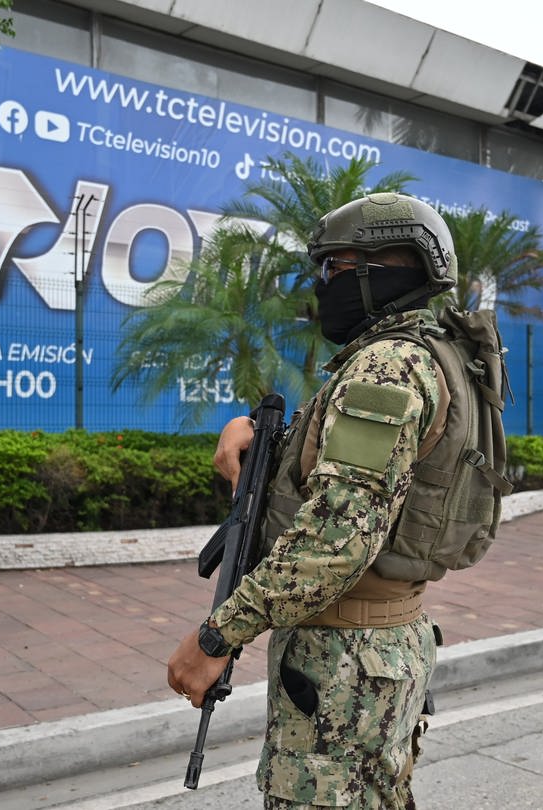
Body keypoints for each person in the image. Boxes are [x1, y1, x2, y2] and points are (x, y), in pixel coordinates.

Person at [167, 192, 456, 808]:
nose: (323, 286)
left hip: (343, 661)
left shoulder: (386, 370)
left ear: (388, 269)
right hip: (382, 646)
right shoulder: (423, 354)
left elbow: (335, 540)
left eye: (336, 268)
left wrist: (216, 636)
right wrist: (251, 430)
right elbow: (338, 461)